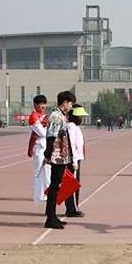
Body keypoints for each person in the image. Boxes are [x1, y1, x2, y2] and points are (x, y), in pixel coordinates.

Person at [44, 91, 84, 229]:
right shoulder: (56, 116)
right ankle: (50, 217)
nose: (71, 106)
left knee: (57, 186)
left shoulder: (61, 115)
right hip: (57, 156)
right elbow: (51, 136)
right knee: (55, 186)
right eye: (70, 103)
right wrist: (48, 153)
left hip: (61, 155)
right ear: (65, 102)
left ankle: (52, 215)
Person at [27, 95, 50, 204]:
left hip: (47, 147)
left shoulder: (44, 116)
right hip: (39, 148)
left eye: (44, 103)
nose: (43, 106)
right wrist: (47, 127)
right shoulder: (33, 116)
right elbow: (43, 132)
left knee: (47, 171)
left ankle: (47, 193)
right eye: (41, 104)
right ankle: (37, 195)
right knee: (38, 172)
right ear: (35, 105)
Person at [67, 104, 89, 208]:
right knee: (71, 184)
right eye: (80, 116)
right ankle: (72, 208)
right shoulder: (71, 126)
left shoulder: (75, 127)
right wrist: (74, 161)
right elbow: (71, 144)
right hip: (73, 159)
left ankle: (74, 207)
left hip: (77, 158)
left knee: (74, 183)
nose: (82, 119)